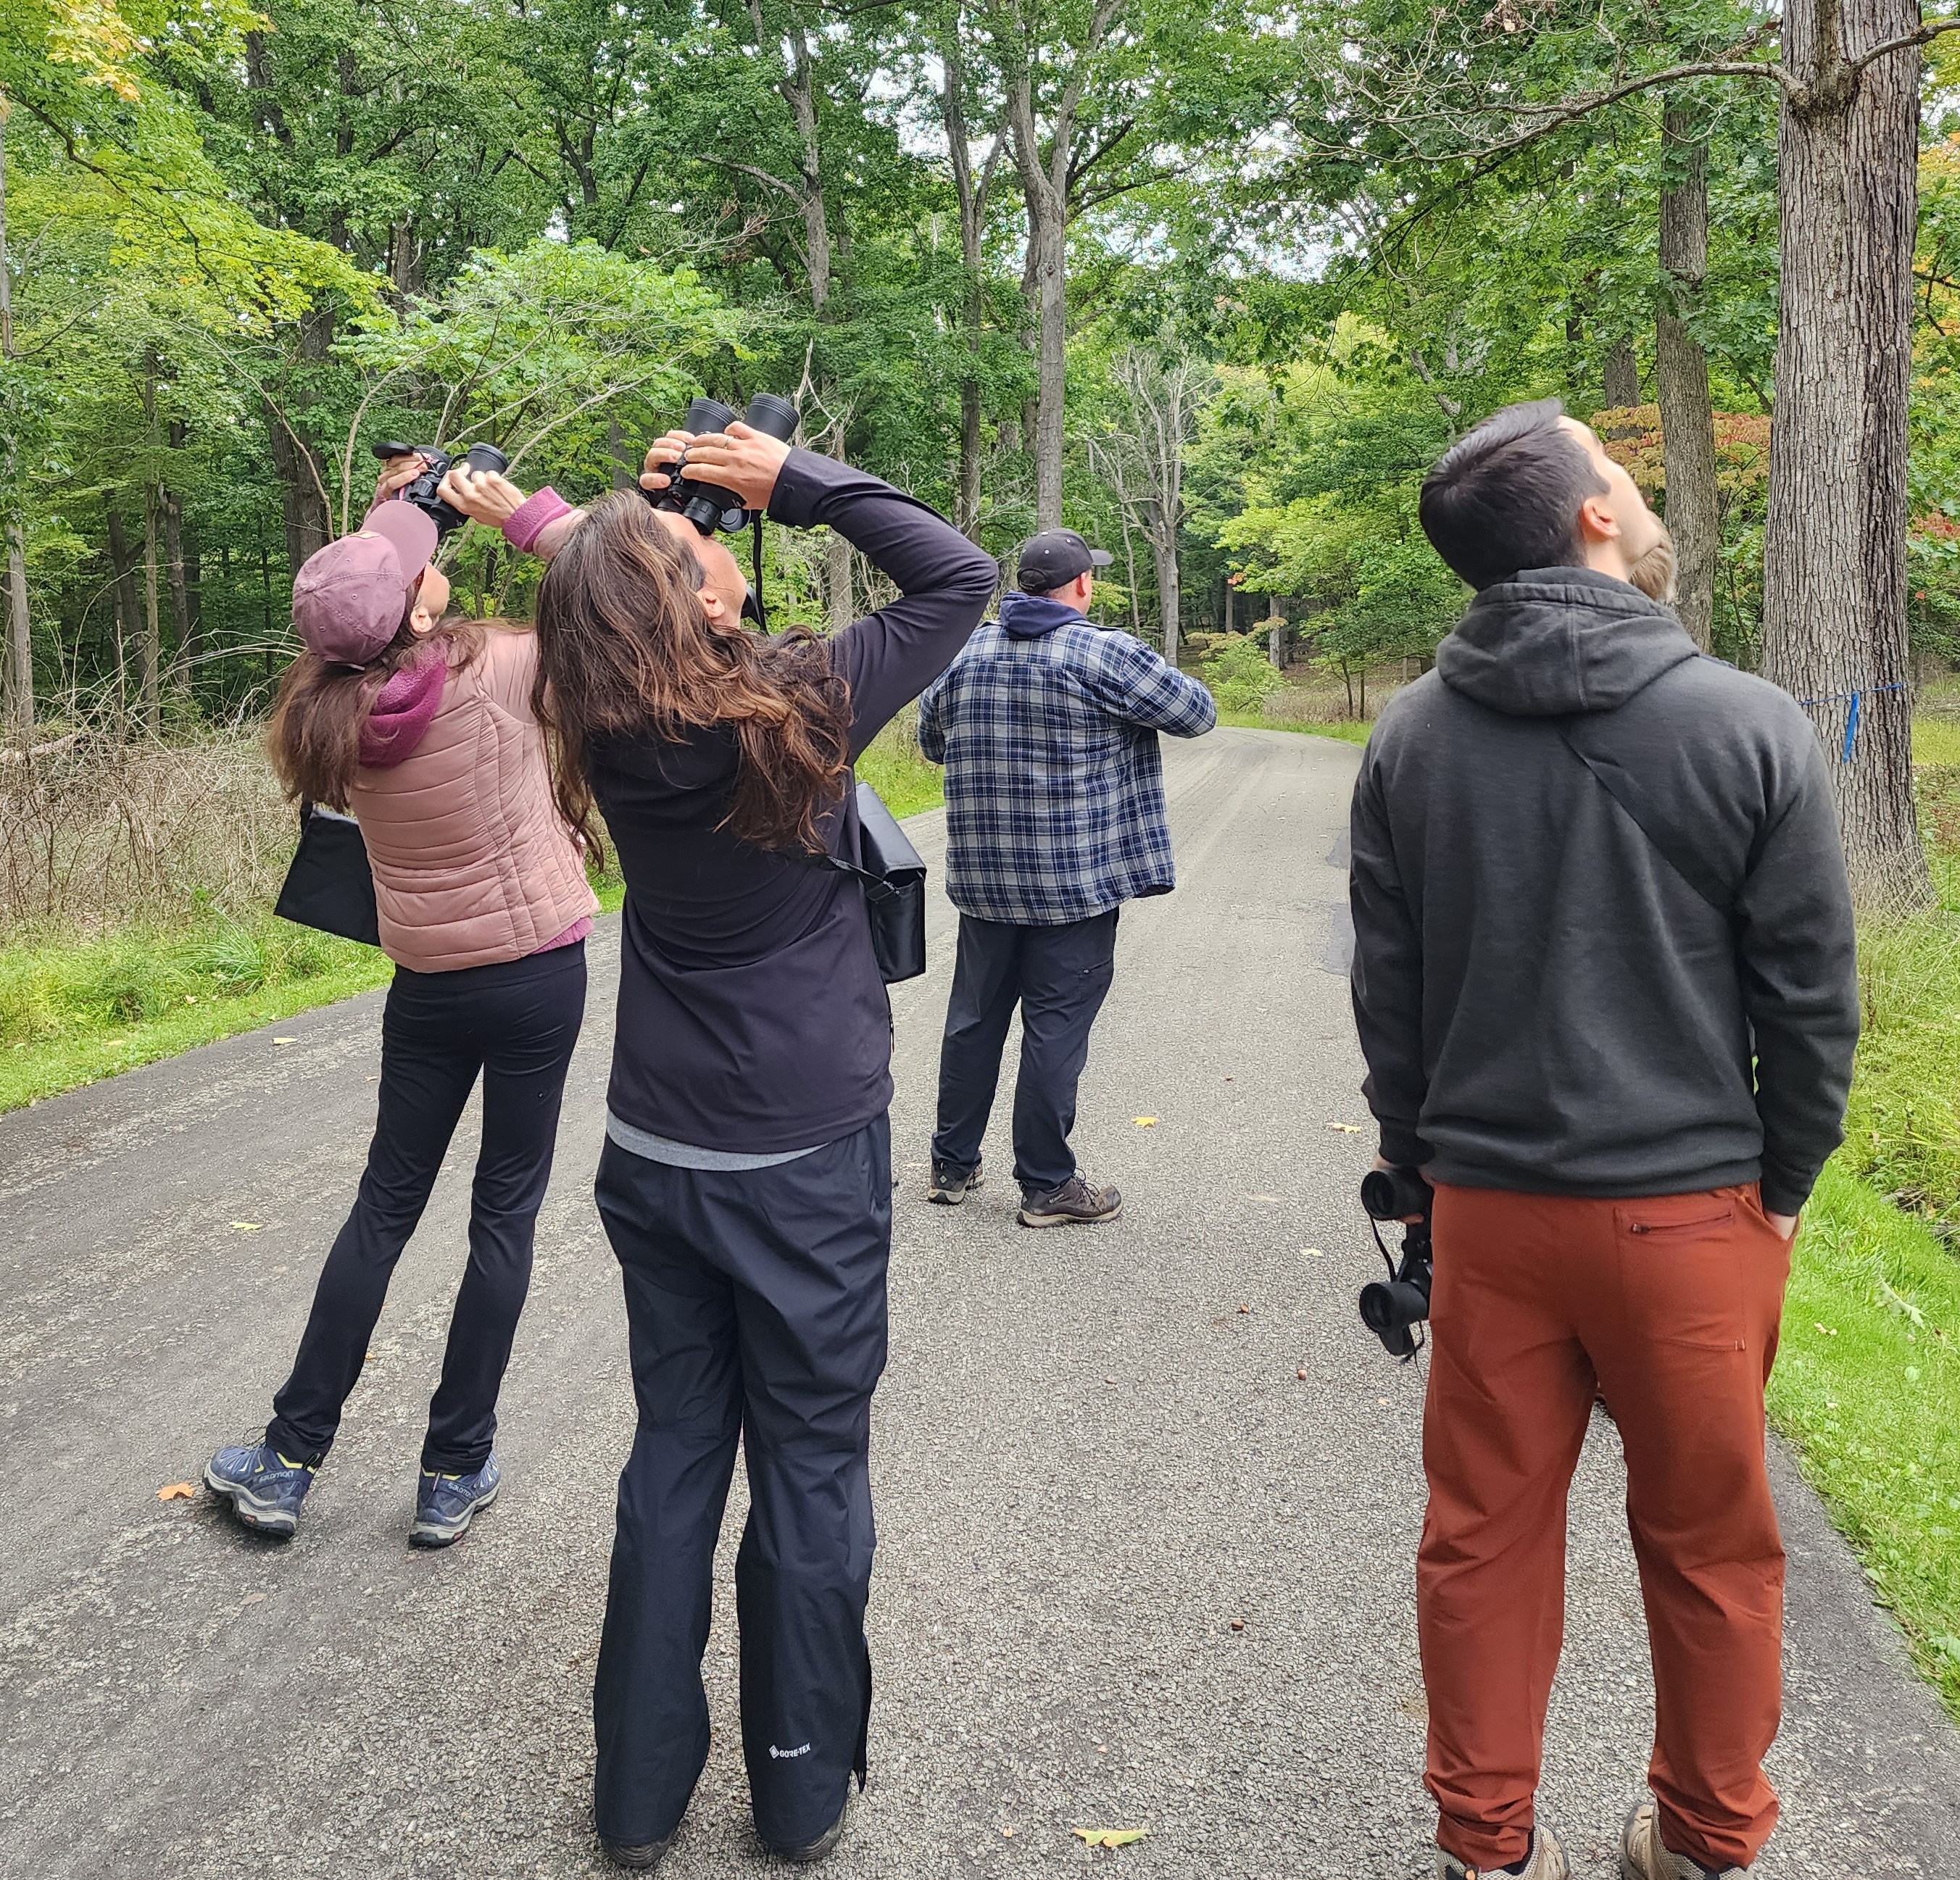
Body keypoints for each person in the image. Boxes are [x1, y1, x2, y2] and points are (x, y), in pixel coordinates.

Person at [1348, 400, 1859, 1880]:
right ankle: (1705, 1839)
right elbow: (1811, 997)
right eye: (1624, 479)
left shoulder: (1413, 736)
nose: (1641, 502)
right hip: (1696, 1217)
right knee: (1712, 1545)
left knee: (1482, 1541)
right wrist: (1787, 1185)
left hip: (1495, 1213)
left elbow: (1395, 999)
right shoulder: (1745, 723)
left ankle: (1489, 1849)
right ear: (1586, 519)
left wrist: (1424, 1167)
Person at [482, 424, 996, 1868]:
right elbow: (955, 577)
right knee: (814, 1464)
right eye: (691, 551)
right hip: (801, 1157)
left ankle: (638, 1798)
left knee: (675, 1454)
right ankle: (796, 1782)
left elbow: (593, 591)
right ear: (703, 605)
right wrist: (798, 480)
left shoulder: (598, 715)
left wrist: (605, 536)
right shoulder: (798, 704)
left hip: (657, 1143)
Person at [206, 455, 599, 1548]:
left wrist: (401, 513)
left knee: (384, 1208)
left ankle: (287, 1460)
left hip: (427, 983)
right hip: (535, 976)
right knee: (503, 1215)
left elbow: (362, 596)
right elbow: (608, 605)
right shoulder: (507, 666)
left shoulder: (321, 714)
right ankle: (452, 1468)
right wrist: (518, 511)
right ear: (421, 599)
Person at [916, 528, 1216, 1226]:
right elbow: (1197, 713)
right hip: (1073, 887)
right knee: (1055, 1029)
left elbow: (934, 743)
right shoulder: (1103, 651)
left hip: (986, 884)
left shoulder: (966, 651)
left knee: (973, 1022)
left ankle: (952, 1167)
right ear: (1082, 585)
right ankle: (1047, 1184)